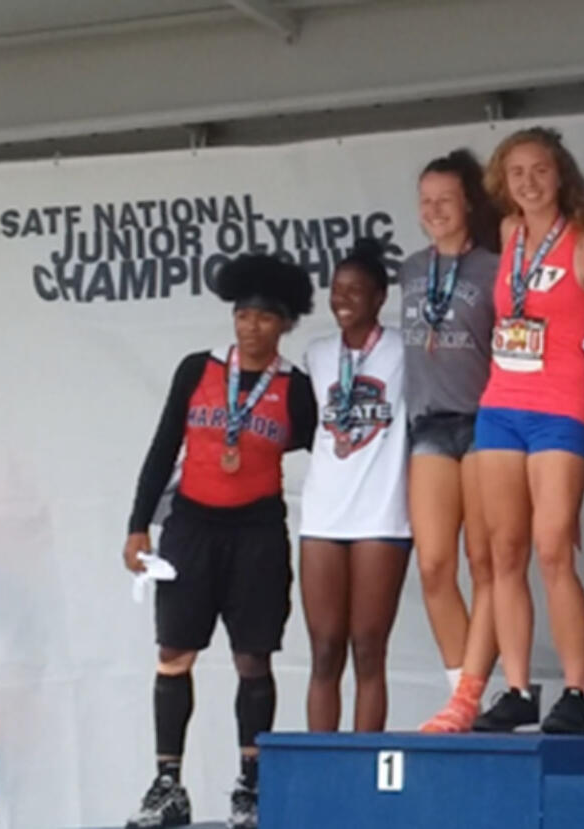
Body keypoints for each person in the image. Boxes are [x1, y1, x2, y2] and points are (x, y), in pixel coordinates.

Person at [121, 254, 315, 829]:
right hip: (191, 529)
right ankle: (166, 787)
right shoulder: (196, 370)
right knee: (174, 654)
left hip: (257, 532)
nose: (251, 326)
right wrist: (138, 525)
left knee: (252, 657)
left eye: (264, 318)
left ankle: (250, 787)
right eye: (243, 315)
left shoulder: (295, 389)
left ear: (284, 325)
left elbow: (323, 451)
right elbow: (162, 449)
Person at [470, 127, 584, 734]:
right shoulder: (507, 236)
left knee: (554, 548)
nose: (528, 183)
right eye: (516, 172)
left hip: (561, 406)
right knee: (505, 552)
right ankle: (519, 687)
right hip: (500, 403)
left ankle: (577, 692)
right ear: (503, 182)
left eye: (540, 171)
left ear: (562, 176)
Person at [399, 149, 502, 732]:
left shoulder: (495, 266)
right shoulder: (411, 270)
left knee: (485, 563)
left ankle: (468, 697)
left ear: (468, 204)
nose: (435, 210)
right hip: (431, 424)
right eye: (426, 201)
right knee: (435, 566)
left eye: (446, 199)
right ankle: (462, 693)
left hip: (486, 420)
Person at [301, 239, 412, 734]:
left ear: (379, 298)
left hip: (382, 514)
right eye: (337, 289)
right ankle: (321, 767)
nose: (343, 298)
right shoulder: (317, 354)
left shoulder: (404, 349)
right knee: (324, 648)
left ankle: (364, 769)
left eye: (356, 290)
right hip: (322, 515)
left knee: (368, 646)